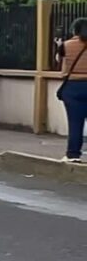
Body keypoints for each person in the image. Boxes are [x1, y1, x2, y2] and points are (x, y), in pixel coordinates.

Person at [58, 19, 87, 163]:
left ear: (74, 30)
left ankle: (73, 155)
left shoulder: (65, 45)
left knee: (75, 123)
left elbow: (63, 69)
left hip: (73, 87)